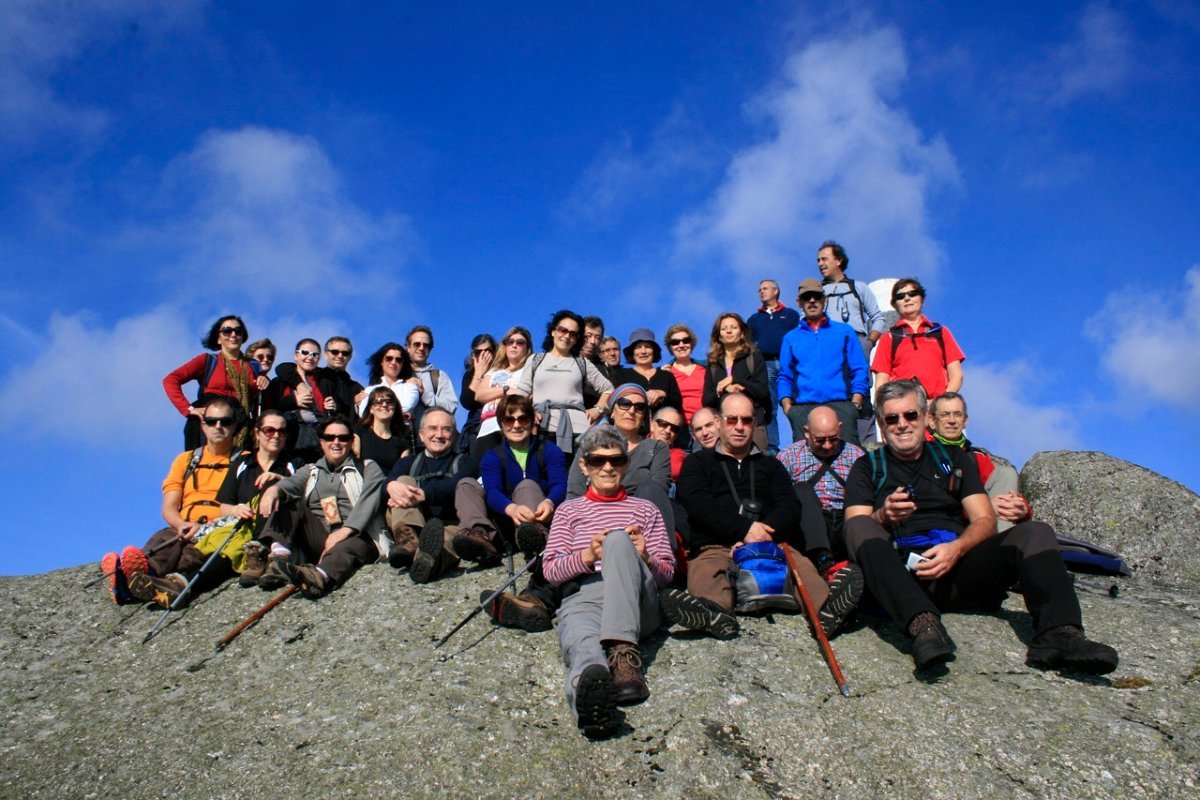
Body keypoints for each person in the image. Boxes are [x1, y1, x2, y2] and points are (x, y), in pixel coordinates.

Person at [842, 380, 1118, 673]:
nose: (902, 425)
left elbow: (985, 520)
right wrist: (883, 516)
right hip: (902, 572)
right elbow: (855, 526)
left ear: (925, 417)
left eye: (910, 415)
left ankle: (1059, 634)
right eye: (892, 419)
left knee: (1036, 532)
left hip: (960, 568)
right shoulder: (867, 467)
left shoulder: (955, 459)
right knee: (859, 526)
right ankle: (922, 625)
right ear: (882, 428)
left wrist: (956, 548)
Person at [663, 393, 863, 639]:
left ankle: (825, 611)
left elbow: (789, 505)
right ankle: (715, 613)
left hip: (771, 544)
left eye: (746, 420)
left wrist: (761, 532)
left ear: (754, 423)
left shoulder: (771, 465)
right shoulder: (698, 463)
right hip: (716, 544)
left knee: (802, 568)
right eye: (731, 420)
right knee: (706, 570)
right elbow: (698, 504)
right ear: (718, 422)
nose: (739, 427)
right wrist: (744, 530)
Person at [542, 425, 676, 738]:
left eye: (616, 460)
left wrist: (646, 559)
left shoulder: (646, 509)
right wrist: (586, 557)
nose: (607, 467)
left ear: (626, 464)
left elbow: (667, 574)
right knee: (582, 646)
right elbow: (550, 571)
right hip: (585, 597)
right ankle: (591, 702)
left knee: (617, 540)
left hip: (637, 599)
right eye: (597, 460)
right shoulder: (568, 511)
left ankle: (623, 653)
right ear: (583, 466)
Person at [100, 396, 248, 605]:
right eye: (211, 421)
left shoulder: (246, 461)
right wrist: (181, 524)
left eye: (225, 422)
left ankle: (127, 583)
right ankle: (139, 575)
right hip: (183, 525)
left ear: (235, 426)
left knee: (191, 554)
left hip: (218, 527)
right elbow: (169, 506)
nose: (218, 426)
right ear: (203, 425)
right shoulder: (185, 460)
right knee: (164, 540)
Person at [256, 415, 386, 598]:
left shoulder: (367, 467)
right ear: (322, 442)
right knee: (289, 501)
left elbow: (369, 500)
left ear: (351, 442)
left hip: (358, 536)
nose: (336, 442)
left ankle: (319, 577)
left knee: (348, 546)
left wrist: (346, 530)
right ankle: (279, 559)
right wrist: (274, 490)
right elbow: (291, 484)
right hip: (321, 537)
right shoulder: (310, 470)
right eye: (330, 437)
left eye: (343, 438)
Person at [478, 393, 569, 632]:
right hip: (510, 521)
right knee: (522, 486)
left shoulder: (549, 450)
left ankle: (535, 539)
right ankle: (531, 541)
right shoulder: (492, 456)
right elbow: (492, 490)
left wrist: (550, 502)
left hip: (545, 517)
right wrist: (511, 507)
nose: (517, 425)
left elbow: (561, 483)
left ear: (533, 421)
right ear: (501, 425)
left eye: (523, 419)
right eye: (509, 420)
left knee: (529, 485)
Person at [383, 409, 491, 583]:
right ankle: (408, 540)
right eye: (432, 428)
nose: (439, 435)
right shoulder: (407, 463)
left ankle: (425, 561)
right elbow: (383, 491)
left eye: (446, 429)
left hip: (451, 524)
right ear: (421, 435)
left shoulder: (466, 462)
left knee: (446, 541)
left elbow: (455, 486)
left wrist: (423, 494)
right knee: (401, 481)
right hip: (415, 523)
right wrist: (391, 486)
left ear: (454, 435)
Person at [216, 410, 305, 587]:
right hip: (244, 528)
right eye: (269, 430)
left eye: (282, 431)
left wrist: (281, 483)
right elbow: (223, 506)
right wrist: (235, 509)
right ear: (257, 433)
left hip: (284, 532)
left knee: (270, 483)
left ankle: (260, 548)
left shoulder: (295, 464)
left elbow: (306, 499)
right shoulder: (241, 464)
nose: (276, 436)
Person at [777, 278, 869, 445]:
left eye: (817, 296)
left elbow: (859, 369)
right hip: (802, 409)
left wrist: (854, 405)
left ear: (824, 300)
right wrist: (788, 408)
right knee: (805, 465)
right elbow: (784, 376)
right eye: (807, 297)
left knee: (850, 463)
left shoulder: (844, 332)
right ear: (799, 302)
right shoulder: (791, 338)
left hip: (842, 406)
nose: (812, 301)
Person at [513, 310, 613, 457]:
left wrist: (597, 410)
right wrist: (529, 412)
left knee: (573, 478)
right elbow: (521, 394)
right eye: (563, 330)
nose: (567, 336)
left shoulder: (582, 363)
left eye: (573, 333)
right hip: (541, 429)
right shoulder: (535, 360)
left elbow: (609, 389)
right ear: (553, 331)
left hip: (578, 433)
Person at [928, 392, 1030, 533]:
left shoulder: (976, 457)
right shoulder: (923, 454)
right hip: (945, 526)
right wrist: (984, 508)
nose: (952, 420)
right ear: (932, 421)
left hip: (983, 525)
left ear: (965, 421)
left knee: (1006, 473)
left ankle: (1001, 542)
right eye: (945, 414)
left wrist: (1023, 509)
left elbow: (1001, 490)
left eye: (957, 414)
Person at [776, 405, 865, 557]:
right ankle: (820, 557)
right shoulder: (788, 457)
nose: (827, 446)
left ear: (840, 428)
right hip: (808, 525)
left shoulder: (856, 456)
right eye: (820, 440)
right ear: (806, 432)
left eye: (833, 439)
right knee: (801, 490)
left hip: (845, 521)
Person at [163, 315, 262, 449]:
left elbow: (256, 399)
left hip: (240, 424)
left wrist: (263, 382)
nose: (233, 335)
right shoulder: (207, 360)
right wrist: (188, 409)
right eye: (227, 331)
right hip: (210, 423)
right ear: (218, 338)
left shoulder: (253, 366)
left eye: (238, 331)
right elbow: (170, 380)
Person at [871, 278, 965, 401]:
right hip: (903, 410)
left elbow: (957, 375)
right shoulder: (888, 338)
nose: (907, 298)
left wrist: (939, 403)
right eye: (900, 296)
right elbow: (881, 382)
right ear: (895, 304)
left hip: (936, 410)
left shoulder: (941, 332)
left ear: (922, 299)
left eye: (913, 294)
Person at [701, 312, 771, 450]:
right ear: (719, 336)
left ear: (742, 333)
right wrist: (723, 390)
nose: (728, 331)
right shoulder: (713, 363)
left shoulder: (754, 357)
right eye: (724, 328)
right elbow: (706, 400)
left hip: (752, 426)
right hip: (723, 430)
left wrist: (736, 381)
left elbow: (762, 391)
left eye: (733, 327)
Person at [747, 279, 800, 453]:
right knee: (769, 406)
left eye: (765, 288)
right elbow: (749, 344)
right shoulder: (754, 319)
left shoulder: (791, 315)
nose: (761, 291)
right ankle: (771, 448)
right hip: (766, 364)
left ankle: (801, 442)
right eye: (759, 289)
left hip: (789, 364)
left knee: (795, 403)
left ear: (776, 291)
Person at [469, 326, 532, 462]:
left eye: (520, 342)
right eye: (510, 341)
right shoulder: (494, 371)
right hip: (488, 427)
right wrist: (506, 390)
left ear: (527, 348)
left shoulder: (530, 370)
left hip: (515, 426)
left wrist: (494, 393)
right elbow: (479, 395)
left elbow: (527, 395)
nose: (514, 345)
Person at [817, 240, 886, 359]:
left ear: (838, 261)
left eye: (824, 259)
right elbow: (804, 320)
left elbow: (878, 318)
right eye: (818, 260)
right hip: (827, 343)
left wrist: (869, 342)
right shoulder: (816, 291)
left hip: (857, 341)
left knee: (860, 377)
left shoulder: (859, 287)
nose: (820, 264)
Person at [269, 338, 328, 463]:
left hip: (318, 440)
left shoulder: (323, 381)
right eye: (305, 352)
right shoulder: (280, 381)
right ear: (296, 355)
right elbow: (270, 407)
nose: (310, 357)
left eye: (315, 355)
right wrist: (293, 400)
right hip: (291, 440)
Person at [612, 328, 683, 413]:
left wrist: (661, 393)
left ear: (654, 351)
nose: (643, 351)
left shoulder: (666, 375)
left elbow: (678, 403)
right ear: (632, 353)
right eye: (638, 347)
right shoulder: (622, 374)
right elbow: (616, 401)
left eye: (647, 347)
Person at [405, 326, 460, 433]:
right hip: (400, 441)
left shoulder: (439, 376)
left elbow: (451, 407)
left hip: (431, 441)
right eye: (417, 344)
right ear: (408, 347)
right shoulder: (397, 374)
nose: (421, 348)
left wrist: (425, 395)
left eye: (426, 345)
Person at [353, 385, 409, 473]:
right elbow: (354, 463)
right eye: (378, 402)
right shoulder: (360, 431)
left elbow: (403, 472)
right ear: (371, 409)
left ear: (395, 407)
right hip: (364, 483)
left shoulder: (402, 440)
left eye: (389, 401)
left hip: (390, 484)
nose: (384, 405)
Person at [457, 333, 497, 456]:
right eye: (479, 352)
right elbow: (467, 402)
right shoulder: (470, 375)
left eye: (488, 351)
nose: (484, 355)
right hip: (476, 426)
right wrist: (478, 373)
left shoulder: (501, 372)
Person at [358, 342, 420, 418]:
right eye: (389, 358)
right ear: (381, 362)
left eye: (398, 360)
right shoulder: (369, 390)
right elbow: (363, 413)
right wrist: (401, 414)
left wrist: (376, 407)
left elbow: (407, 406)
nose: (393, 362)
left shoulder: (410, 388)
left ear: (402, 364)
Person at [663, 323, 705, 433]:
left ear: (691, 343)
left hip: (705, 427)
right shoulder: (666, 372)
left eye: (685, 340)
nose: (681, 345)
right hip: (680, 430)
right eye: (675, 342)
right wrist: (662, 379)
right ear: (670, 347)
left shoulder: (706, 368)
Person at [650, 406, 687, 482]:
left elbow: (674, 472)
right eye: (664, 424)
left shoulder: (676, 454)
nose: (668, 430)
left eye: (674, 428)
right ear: (652, 425)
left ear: (676, 436)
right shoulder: (637, 444)